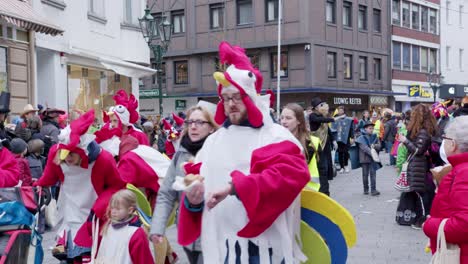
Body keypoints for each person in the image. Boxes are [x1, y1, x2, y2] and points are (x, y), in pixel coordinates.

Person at [179, 42, 309, 263]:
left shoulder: (276, 136)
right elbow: (199, 187)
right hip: (223, 247)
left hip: (266, 248)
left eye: (236, 97)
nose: (230, 104)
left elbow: (291, 176)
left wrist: (234, 187)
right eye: (225, 98)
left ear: (249, 96)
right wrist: (192, 199)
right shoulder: (213, 142)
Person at [35, 109, 125, 263]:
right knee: (69, 257)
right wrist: (39, 184)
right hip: (69, 211)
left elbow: (117, 186)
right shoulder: (56, 154)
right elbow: (50, 176)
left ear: (83, 151)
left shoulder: (103, 159)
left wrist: (100, 207)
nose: (68, 158)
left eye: (72, 154)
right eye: (65, 154)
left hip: (95, 215)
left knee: (91, 257)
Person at [150, 106, 218, 264]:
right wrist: (157, 228)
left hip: (213, 235)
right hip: (188, 235)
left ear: (211, 128)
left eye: (200, 122)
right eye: (190, 122)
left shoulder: (218, 153)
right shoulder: (181, 154)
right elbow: (166, 194)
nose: (193, 126)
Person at [422, 116, 468, 263]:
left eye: (445, 138)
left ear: (453, 144)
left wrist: (430, 226)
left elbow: (464, 225)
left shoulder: (463, 172)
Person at [398, 104, 438, 229]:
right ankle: (419, 218)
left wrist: (405, 141)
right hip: (418, 166)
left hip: (419, 167)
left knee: (421, 194)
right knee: (419, 193)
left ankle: (422, 220)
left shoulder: (423, 132)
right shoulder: (423, 131)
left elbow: (417, 150)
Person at [95, 190, 154, 264]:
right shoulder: (108, 226)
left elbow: (143, 260)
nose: (113, 211)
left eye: (118, 209)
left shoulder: (136, 233)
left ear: (130, 210)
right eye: (112, 208)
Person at [117, 135, 170, 209]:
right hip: (168, 182)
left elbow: (121, 188)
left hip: (164, 189)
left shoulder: (127, 159)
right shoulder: (140, 148)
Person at [281, 103, 320, 191]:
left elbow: (323, 174)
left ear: (299, 121)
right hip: (285, 197)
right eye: (282, 118)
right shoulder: (275, 141)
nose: (283, 121)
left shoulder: (312, 143)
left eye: (288, 118)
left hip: (309, 195)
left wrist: (323, 201)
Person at [309, 98, 337, 196]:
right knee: (321, 168)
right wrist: (333, 119)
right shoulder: (313, 116)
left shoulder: (323, 116)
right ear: (316, 108)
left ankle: (325, 191)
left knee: (326, 168)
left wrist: (333, 140)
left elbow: (327, 129)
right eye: (321, 105)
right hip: (316, 147)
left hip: (325, 146)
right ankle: (321, 191)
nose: (324, 106)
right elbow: (319, 120)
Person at [356, 122, 381, 196]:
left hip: (372, 159)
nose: (372, 130)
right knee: (365, 175)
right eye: (370, 128)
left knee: (373, 174)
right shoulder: (360, 137)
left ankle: (373, 190)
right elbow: (364, 148)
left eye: (372, 128)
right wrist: (373, 153)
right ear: (365, 129)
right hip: (364, 159)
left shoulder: (375, 136)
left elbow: (379, 146)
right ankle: (365, 189)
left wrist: (374, 146)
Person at [333, 106, 354, 173]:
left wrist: (352, 137)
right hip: (338, 139)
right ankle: (341, 167)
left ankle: (346, 165)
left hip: (346, 138)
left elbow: (351, 129)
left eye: (341, 110)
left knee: (345, 152)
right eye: (339, 110)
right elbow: (333, 129)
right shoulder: (335, 119)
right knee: (340, 153)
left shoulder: (348, 119)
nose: (340, 112)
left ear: (344, 111)